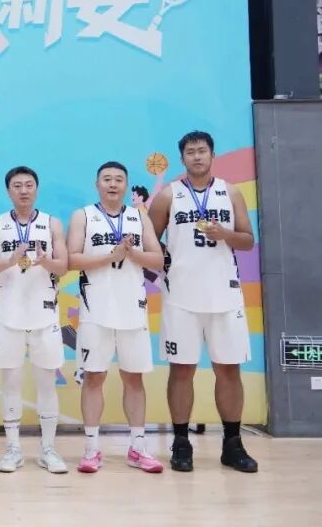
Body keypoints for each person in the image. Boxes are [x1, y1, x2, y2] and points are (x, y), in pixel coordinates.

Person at [148, 131, 257, 473]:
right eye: (191, 152)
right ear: (182, 158)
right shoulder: (169, 196)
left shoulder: (231, 192)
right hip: (181, 297)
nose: (197, 156)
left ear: (212, 155)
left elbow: (248, 240)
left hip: (225, 294)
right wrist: (170, 262)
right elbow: (150, 241)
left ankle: (232, 443)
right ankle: (181, 442)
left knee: (229, 369)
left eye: (202, 151)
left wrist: (225, 234)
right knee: (182, 370)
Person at [67, 161, 165, 474]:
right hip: (95, 310)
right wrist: (111, 256)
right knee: (93, 377)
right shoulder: (83, 216)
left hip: (132, 309)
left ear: (126, 185)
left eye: (118, 179)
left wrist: (131, 254)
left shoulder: (139, 216)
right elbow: (72, 259)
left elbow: (157, 259)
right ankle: (91, 449)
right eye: (107, 179)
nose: (112, 184)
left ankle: (138, 447)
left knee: (134, 379)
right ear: (97, 184)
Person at [0, 166, 68, 474]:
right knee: (11, 384)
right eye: (17, 185)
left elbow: (64, 266)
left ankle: (48, 449)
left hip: (44, 315)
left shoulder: (52, 223)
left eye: (29, 185)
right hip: (8, 316)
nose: (24, 190)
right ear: (9, 191)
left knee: (47, 385)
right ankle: (13, 448)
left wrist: (47, 261)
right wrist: (10, 260)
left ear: (36, 189)